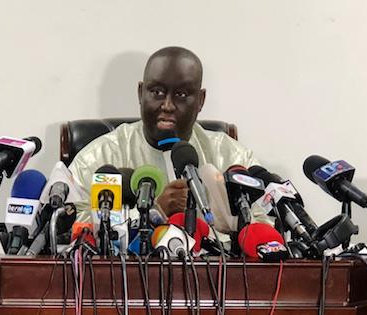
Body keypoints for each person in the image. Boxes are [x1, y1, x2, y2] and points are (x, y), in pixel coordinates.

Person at [69, 46, 269, 228]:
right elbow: (70, 222)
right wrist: (152, 212)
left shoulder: (231, 157)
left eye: (181, 94)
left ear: (200, 100)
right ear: (141, 93)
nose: (167, 105)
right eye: (157, 92)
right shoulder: (98, 157)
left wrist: (219, 216)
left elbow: (266, 224)